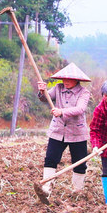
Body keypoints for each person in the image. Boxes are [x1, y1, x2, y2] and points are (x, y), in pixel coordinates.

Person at [36, 62, 92, 197]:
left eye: (69, 79)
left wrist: (61, 112)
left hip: (77, 132)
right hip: (58, 131)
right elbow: (45, 98)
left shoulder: (84, 92)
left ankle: (77, 191)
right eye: (64, 79)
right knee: (50, 159)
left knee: (79, 162)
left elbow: (80, 109)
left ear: (76, 80)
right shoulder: (58, 88)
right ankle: (46, 189)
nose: (65, 82)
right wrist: (42, 91)